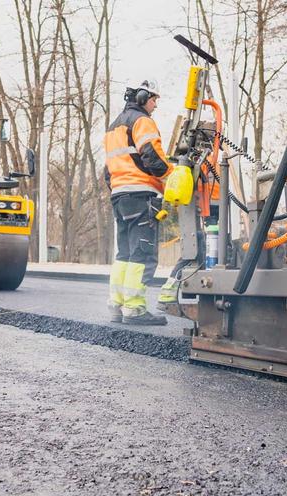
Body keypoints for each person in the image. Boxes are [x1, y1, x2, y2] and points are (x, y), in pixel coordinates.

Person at [104, 79, 173, 326]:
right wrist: (173, 177)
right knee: (142, 252)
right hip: (141, 194)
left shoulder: (113, 127)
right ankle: (134, 309)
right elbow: (152, 156)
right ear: (143, 97)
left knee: (124, 252)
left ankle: (117, 305)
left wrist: (120, 189)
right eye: (154, 100)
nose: (155, 105)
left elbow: (107, 170)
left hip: (120, 196)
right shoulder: (142, 121)